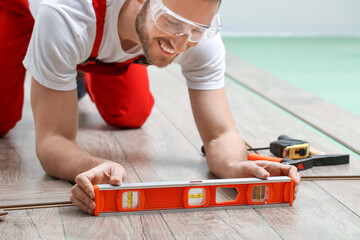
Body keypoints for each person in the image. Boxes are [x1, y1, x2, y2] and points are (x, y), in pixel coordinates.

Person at [0, 0, 301, 214]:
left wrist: (235, 165)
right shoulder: (66, 14)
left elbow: (220, 135)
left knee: (129, 115)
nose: (182, 44)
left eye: (196, 30)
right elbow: (52, 140)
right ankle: (62, 64)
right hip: (25, 9)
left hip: (98, 36)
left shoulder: (197, 34)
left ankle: (69, 72)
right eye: (170, 22)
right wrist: (88, 165)